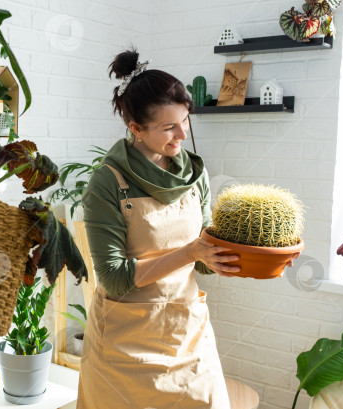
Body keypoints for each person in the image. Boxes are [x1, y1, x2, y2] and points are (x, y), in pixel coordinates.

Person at [76, 49, 239, 408]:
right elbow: (114, 277)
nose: (181, 134)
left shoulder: (193, 175)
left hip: (187, 334)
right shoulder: (107, 184)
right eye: (168, 127)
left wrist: (237, 258)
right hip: (125, 343)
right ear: (135, 129)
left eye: (185, 120)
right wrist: (191, 252)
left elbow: (203, 251)